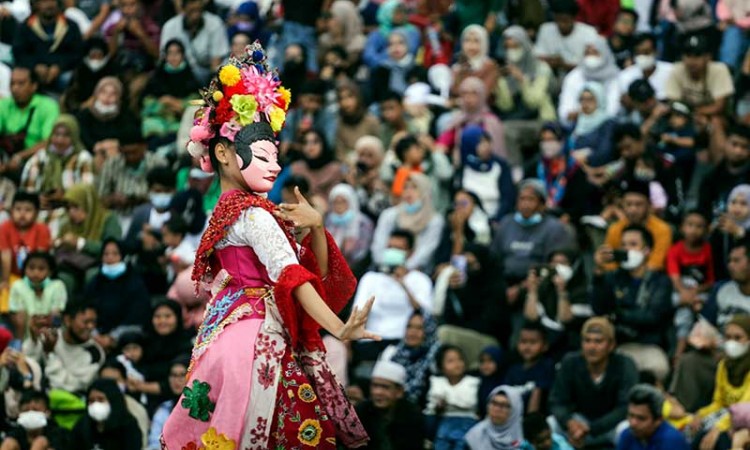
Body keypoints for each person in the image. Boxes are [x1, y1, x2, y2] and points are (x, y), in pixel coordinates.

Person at [162, 42, 378, 449]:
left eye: (275, 154)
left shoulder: (226, 210)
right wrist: (337, 327)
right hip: (259, 337)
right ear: (224, 153)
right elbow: (292, 276)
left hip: (225, 333)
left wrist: (314, 228)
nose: (275, 165)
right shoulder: (254, 214)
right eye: (263, 155)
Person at [593, 224, 673, 381]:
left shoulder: (659, 281)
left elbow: (652, 317)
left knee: (657, 368)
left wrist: (618, 314)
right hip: (617, 345)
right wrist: (599, 273)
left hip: (649, 345)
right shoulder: (612, 277)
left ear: (646, 250)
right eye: (623, 245)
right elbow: (599, 309)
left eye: (633, 244)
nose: (626, 249)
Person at [548, 317, 638, 448]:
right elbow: (557, 401)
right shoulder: (570, 362)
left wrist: (592, 428)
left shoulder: (625, 364)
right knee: (551, 423)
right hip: (579, 423)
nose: (592, 347)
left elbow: (625, 406)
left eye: (598, 341)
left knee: (628, 428)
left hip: (610, 425)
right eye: (587, 340)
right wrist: (569, 422)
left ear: (611, 345)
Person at [490, 179, 573, 309]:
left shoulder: (554, 228)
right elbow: (493, 258)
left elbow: (554, 267)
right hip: (504, 283)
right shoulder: (506, 223)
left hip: (538, 286)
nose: (525, 204)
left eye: (531, 199)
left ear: (542, 204)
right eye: (522, 199)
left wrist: (521, 288)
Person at [353, 229, 433, 359]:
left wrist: (403, 284)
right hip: (371, 340)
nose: (392, 252)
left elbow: (426, 315)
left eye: (398, 248)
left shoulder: (421, 279)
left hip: (403, 340)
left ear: (410, 253)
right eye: (390, 247)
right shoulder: (370, 278)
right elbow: (358, 313)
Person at [689, 315, 750, 450]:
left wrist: (718, 428)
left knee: (717, 440)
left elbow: (744, 409)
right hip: (726, 415)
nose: (731, 342)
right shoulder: (723, 365)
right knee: (692, 428)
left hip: (744, 420)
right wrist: (700, 414)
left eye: (738, 338)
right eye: (728, 337)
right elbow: (719, 402)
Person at [23, 301, 105, 395]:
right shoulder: (51, 336)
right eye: (86, 322)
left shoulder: (95, 353)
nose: (91, 327)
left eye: (93, 322)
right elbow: (27, 363)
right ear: (68, 320)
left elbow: (68, 386)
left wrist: (50, 354)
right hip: (38, 396)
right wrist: (34, 339)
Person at [371, 172, 445, 273]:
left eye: (414, 188)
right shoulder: (389, 215)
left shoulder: (434, 220)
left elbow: (426, 250)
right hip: (384, 268)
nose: (408, 192)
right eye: (405, 187)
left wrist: (406, 268)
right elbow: (378, 244)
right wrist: (384, 266)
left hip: (418, 271)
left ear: (425, 191)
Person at [84, 239, 150, 350]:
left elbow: (138, 316)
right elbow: (86, 308)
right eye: (106, 254)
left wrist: (112, 337)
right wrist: (94, 334)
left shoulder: (135, 283)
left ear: (123, 256)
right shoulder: (95, 282)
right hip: (94, 337)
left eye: (115, 254)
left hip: (125, 339)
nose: (110, 258)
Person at [55, 184, 122, 292]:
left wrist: (81, 243)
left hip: (99, 263)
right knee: (63, 279)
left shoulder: (107, 220)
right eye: (68, 208)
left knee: (93, 276)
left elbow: (113, 249)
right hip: (71, 264)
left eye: (76, 207)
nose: (71, 212)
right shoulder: (66, 223)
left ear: (88, 205)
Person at [668, 211, 714, 358]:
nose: (694, 230)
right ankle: (680, 350)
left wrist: (695, 292)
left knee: (695, 307)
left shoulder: (708, 250)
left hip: (700, 293)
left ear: (706, 230)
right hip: (680, 293)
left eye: (699, 226)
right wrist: (686, 294)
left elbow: (711, 281)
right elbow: (675, 278)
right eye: (690, 225)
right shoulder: (675, 250)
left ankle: (682, 351)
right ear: (682, 228)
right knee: (682, 308)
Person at [20, 114, 94, 207]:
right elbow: (26, 192)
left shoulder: (83, 159)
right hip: (40, 209)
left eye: (66, 135)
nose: (59, 140)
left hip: (72, 209)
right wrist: (35, 199)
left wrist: (66, 196)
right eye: (56, 134)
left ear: (74, 137)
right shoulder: (40, 157)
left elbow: (87, 192)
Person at [141, 39, 200, 149]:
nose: (173, 57)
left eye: (177, 53)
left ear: (182, 55)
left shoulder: (191, 78)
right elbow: (146, 102)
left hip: (180, 120)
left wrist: (178, 104)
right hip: (159, 118)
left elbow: (198, 101)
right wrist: (162, 104)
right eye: (170, 53)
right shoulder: (157, 77)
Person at [604, 178, 673, 271]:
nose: (633, 210)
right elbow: (609, 262)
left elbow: (656, 264)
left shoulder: (662, 230)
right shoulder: (615, 229)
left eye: (638, 204)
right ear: (622, 205)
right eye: (628, 204)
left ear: (649, 206)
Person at [0, 67, 59, 176]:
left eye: (21, 83)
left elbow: (50, 142)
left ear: (34, 86)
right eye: (12, 83)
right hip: (6, 158)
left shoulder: (48, 106)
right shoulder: (3, 105)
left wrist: (20, 157)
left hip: (35, 160)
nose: (15, 88)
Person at [12, 0, 82, 92]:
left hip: (63, 72)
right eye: (44, 1)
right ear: (36, 4)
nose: (49, 5)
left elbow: (77, 53)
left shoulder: (71, 26)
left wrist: (59, 66)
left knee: (70, 78)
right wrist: (35, 66)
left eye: (52, 1)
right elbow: (19, 53)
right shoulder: (25, 27)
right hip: (33, 72)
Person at [355, 360, 426, 450]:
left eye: (385, 387)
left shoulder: (412, 415)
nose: (378, 392)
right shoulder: (361, 412)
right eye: (375, 386)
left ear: (399, 392)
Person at [0, 192, 50, 314]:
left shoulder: (42, 229)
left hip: (34, 276)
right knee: (6, 304)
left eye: (28, 210)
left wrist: (34, 283)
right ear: (11, 211)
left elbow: (40, 259)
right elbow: (5, 256)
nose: (22, 214)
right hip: (11, 275)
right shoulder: (5, 227)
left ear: (37, 213)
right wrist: (5, 281)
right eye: (18, 209)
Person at [437, 77, 508, 164]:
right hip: (463, 168)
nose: (468, 98)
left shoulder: (491, 122)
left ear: (482, 96)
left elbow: (497, 152)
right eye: (464, 93)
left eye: (474, 94)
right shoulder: (458, 120)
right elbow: (442, 144)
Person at [665, 34, 734, 123]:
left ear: (708, 57)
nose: (692, 61)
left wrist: (695, 113)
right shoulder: (677, 69)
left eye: (697, 55)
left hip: (716, 117)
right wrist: (691, 115)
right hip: (686, 115)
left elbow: (719, 106)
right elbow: (673, 102)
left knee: (715, 121)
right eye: (688, 55)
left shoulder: (719, 69)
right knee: (676, 120)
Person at [159, 0, 228, 84]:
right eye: (192, 9)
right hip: (178, 74)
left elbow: (216, 59)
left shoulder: (215, 23)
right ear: (183, 9)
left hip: (206, 74)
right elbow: (164, 58)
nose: (195, 13)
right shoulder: (170, 26)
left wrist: (212, 84)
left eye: (198, 9)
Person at [425, 345, 480, 450]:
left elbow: (469, 403)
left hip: (467, 421)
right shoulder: (437, 382)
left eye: (460, 359)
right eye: (451, 361)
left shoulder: (472, 382)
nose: (457, 364)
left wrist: (450, 402)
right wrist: (439, 407)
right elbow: (432, 408)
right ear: (441, 367)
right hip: (444, 420)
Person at [456, 125, 515, 222]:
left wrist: (496, 219)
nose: (486, 146)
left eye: (487, 141)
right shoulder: (463, 169)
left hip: (496, 219)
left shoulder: (500, 166)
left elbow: (507, 198)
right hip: (469, 219)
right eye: (481, 143)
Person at [558, 37, 622, 124]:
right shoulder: (573, 77)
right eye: (587, 53)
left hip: (607, 124)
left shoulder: (614, 76)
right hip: (577, 123)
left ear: (604, 54)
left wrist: (594, 116)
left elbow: (613, 109)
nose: (591, 57)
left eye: (595, 53)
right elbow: (565, 111)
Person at [71, 378, 143, 450]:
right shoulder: (82, 425)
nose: (96, 404)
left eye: (101, 399)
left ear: (113, 400)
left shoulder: (128, 427)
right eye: (91, 401)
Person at [76, 77, 138, 159]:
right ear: (96, 94)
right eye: (103, 92)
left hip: (117, 154)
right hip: (90, 153)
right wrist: (96, 145)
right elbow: (82, 135)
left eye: (113, 94)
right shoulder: (85, 114)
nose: (107, 97)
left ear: (118, 97)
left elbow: (132, 135)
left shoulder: (125, 115)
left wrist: (117, 143)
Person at [9, 251, 66, 340]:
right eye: (31, 268)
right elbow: (19, 320)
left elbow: (56, 314)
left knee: (56, 317)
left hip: (50, 335)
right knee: (19, 316)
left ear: (50, 272)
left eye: (41, 268)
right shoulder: (18, 285)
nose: (35, 272)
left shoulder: (57, 285)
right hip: (25, 336)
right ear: (25, 270)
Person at [504, 321, 555, 414]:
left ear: (545, 346)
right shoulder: (513, 369)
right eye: (523, 342)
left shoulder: (546, 366)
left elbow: (537, 394)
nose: (527, 347)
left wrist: (531, 421)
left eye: (533, 342)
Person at [617, 384, 690, 450]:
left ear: (658, 420)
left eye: (641, 418)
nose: (633, 423)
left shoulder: (671, 441)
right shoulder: (628, 434)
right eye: (631, 415)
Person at [533, 0, 599, 73]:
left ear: (574, 19)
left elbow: (592, 63)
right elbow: (538, 57)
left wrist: (563, 65)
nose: (561, 25)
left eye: (565, 21)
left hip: (580, 75)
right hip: (551, 73)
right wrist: (551, 61)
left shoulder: (589, 32)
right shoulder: (545, 29)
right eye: (558, 20)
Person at [324, 183, 374, 271]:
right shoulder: (328, 221)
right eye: (336, 202)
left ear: (351, 202)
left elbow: (363, 252)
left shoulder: (363, 223)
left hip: (356, 267)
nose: (339, 205)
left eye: (343, 201)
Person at [1, 390, 70, 450]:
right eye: (26, 410)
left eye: (35, 410)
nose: (31, 414)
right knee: (9, 443)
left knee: (40, 442)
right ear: (19, 414)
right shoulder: (15, 433)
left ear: (47, 412)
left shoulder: (58, 433)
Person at [617, 34, 674, 104]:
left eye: (646, 52)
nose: (642, 57)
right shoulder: (625, 76)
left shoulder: (671, 71)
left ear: (656, 52)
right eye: (638, 53)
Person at [290, 129, 344, 200]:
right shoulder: (296, 168)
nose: (310, 146)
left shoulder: (335, 169)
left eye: (315, 142)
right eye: (306, 143)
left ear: (323, 144)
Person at [464, 385, 524, 450]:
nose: (496, 409)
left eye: (503, 405)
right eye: (494, 403)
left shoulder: (524, 443)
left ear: (515, 411)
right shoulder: (474, 437)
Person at [147, 358, 188, 450]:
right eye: (173, 375)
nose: (177, 380)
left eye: (182, 375)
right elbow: (154, 443)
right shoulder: (163, 409)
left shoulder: (200, 409)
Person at [711, 185, 750, 281]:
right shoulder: (722, 225)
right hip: (723, 278)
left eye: (743, 204)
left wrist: (739, 232)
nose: (737, 207)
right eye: (733, 202)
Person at [334, 82, 381, 161]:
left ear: (358, 98)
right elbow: (340, 156)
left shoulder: (371, 122)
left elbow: (380, 151)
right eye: (341, 98)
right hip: (348, 168)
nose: (345, 103)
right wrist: (346, 170)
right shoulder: (339, 125)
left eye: (350, 97)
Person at [451, 25, 499, 98]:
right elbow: (454, 91)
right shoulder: (457, 67)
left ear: (484, 43)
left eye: (476, 41)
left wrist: (456, 102)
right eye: (467, 40)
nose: (471, 45)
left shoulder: (489, 66)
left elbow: (484, 94)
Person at [370, 29, 416, 104]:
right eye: (391, 44)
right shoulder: (381, 70)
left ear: (408, 45)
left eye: (400, 43)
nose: (395, 47)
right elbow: (378, 96)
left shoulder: (416, 68)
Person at [317, 0, 366, 66]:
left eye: (335, 18)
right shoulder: (325, 40)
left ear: (345, 20)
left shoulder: (358, 44)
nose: (330, 22)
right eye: (331, 17)